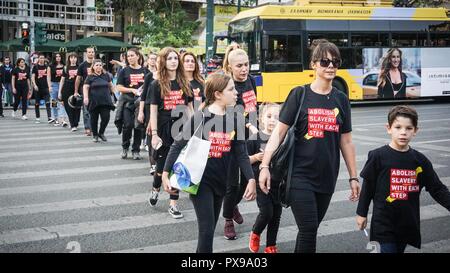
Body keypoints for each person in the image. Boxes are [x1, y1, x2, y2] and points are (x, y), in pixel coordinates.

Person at [259, 39, 360, 253]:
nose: (331, 66)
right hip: (299, 175)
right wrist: (265, 166)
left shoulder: (341, 99)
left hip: (327, 176)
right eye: (325, 62)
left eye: (335, 62)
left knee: (310, 230)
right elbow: (278, 133)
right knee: (308, 228)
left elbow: (346, 141)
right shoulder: (299, 94)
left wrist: (353, 176)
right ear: (314, 64)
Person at [161, 73, 257, 252]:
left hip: (221, 181)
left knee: (210, 230)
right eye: (231, 89)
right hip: (200, 182)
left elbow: (240, 152)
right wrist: (165, 174)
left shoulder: (235, 118)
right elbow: (177, 144)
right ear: (218, 94)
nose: (236, 93)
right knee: (206, 231)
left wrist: (251, 179)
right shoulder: (200, 117)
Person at [356, 105, 450, 253]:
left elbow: (437, 189)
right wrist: (362, 213)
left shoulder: (420, 161)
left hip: (406, 223)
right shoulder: (377, 156)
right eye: (398, 127)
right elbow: (368, 187)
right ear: (389, 128)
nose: (403, 133)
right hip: (383, 224)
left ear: (415, 131)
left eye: (408, 128)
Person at [146, 47, 194, 219]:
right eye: (169, 58)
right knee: (160, 169)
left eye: (175, 58)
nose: (173, 61)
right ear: (163, 62)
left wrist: (195, 128)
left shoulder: (184, 83)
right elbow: (153, 110)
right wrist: (155, 134)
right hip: (164, 129)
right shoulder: (156, 84)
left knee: (177, 166)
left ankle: (173, 204)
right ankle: (156, 187)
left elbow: (189, 108)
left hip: (181, 129)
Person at [222, 47, 259, 240]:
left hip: (252, 136)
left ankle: (232, 205)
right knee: (231, 185)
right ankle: (228, 219)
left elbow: (255, 105)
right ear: (230, 67)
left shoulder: (252, 80)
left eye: (246, 64)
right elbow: (229, 113)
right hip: (233, 138)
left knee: (247, 179)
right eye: (239, 66)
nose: (244, 69)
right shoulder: (227, 85)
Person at [248, 103, 282, 253]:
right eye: (269, 116)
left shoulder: (283, 138)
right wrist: (255, 157)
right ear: (261, 118)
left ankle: (270, 245)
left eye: (276, 118)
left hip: (278, 184)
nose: (272, 120)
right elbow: (244, 160)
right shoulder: (255, 138)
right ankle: (255, 233)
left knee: (276, 216)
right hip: (261, 183)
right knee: (267, 212)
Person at [116, 48, 148, 160]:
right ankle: (125, 147)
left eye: (132, 55)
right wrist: (132, 90)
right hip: (127, 102)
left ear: (138, 56)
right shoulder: (124, 71)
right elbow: (119, 87)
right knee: (128, 125)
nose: (130, 58)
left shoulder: (145, 71)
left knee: (138, 127)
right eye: (128, 56)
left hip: (141, 104)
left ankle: (136, 150)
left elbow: (150, 86)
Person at [82, 59, 115, 142]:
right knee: (94, 119)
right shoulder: (90, 77)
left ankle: (101, 133)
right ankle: (95, 135)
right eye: (96, 65)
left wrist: (115, 95)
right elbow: (85, 87)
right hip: (94, 101)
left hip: (105, 101)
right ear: (93, 66)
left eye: (100, 65)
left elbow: (111, 86)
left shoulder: (106, 75)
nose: (98, 67)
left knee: (106, 118)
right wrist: (86, 97)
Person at [75, 47, 95, 136]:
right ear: (86, 53)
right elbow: (78, 79)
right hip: (85, 90)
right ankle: (87, 127)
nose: (91, 53)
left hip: (96, 90)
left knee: (95, 110)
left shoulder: (97, 64)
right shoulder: (82, 65)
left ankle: (93, 127)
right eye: (89, 52)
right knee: (86, 110)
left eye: (92, 52)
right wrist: (76, 91)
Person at [59, 52, 81, 131]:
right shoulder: (65, 68)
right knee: (68, 108)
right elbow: (62, 80)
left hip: (77, 89)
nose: (73, 59)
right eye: (71, 57)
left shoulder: (80, 67)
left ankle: (75, 122)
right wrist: (59, 92)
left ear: (77, 59)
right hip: (67, 89)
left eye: (74, 57)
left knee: (77, 107)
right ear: (69, 59)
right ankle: (72, 124)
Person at [31, 53, 52, 123]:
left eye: (43, 58)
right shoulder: (35, 67)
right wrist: (34, 85)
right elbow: (33, 77)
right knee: (37, 103)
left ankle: (49, 117)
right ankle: (37, 117)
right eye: (40, 58)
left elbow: (48, 77)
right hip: (38, 88)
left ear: (44, 59)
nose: (42, 59)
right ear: (38, 59)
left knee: (48, 103)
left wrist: (49, 87)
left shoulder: (47, 67)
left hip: (45, 87)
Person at [50, 53, 68, 127]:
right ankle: (55, 118)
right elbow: (48, 77)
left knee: (62, 102)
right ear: (54, 58)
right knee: (54, 102)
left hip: (62, 85)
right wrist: (49, 86)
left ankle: (63, 119)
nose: (58, 58)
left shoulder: (64, 66)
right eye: (56, 56)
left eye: (59, 56)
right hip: (53, 85)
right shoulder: (51, 66)